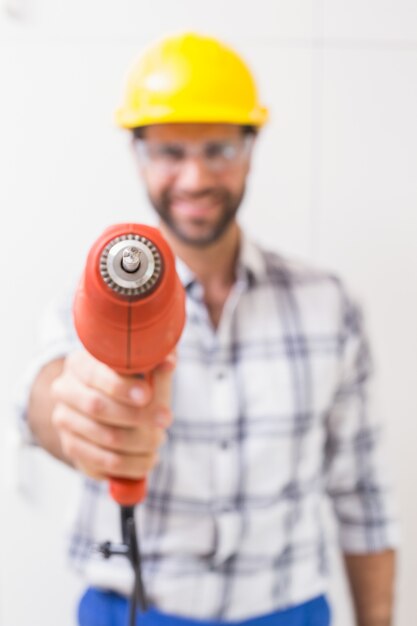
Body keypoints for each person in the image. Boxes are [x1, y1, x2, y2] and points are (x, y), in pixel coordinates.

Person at [22, 32, 398, 626]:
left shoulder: (329, 305)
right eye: (170, 151)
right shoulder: (84, 302)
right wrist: (79, 416)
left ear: (251, 149)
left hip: (289, 610)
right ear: (139, 155)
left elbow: (364, 497)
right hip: (130, 610)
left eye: (219, 148)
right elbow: (45, 406)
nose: (195, 177)